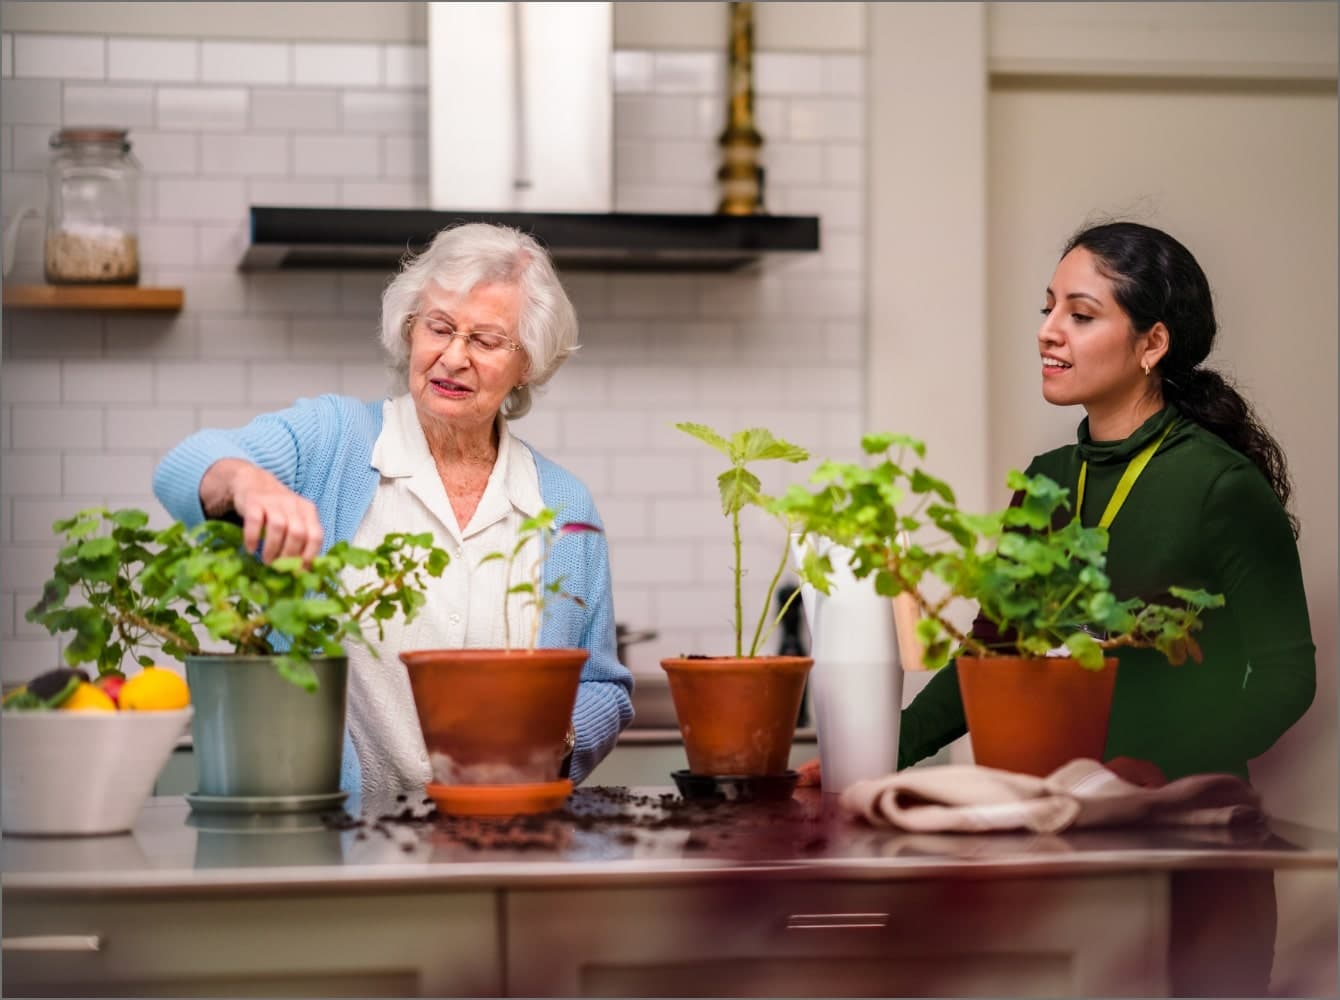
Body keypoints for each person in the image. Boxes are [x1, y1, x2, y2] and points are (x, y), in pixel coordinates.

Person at [897, 220, 1316, 997]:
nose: (1048, 332)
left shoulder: (1221, 485)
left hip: (1193, 855)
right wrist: (873, 764)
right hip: (1067, 848)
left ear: (1152, 343)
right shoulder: (1049, 479)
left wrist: (1166, 774)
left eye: (1080, 315)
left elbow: (1289, 676)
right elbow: (991, 658)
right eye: (1048, 307)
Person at [154, 222, 634, 808]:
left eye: (484, 341)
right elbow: (185, 465)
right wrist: (248, 482)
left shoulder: (562, 507)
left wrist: (553, 740)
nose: (452, 357)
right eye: (438, 328)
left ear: (526, 363)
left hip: (505, 834)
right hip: (339, 843)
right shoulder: (336, 441)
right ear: (409, 332)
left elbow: (604, 688)